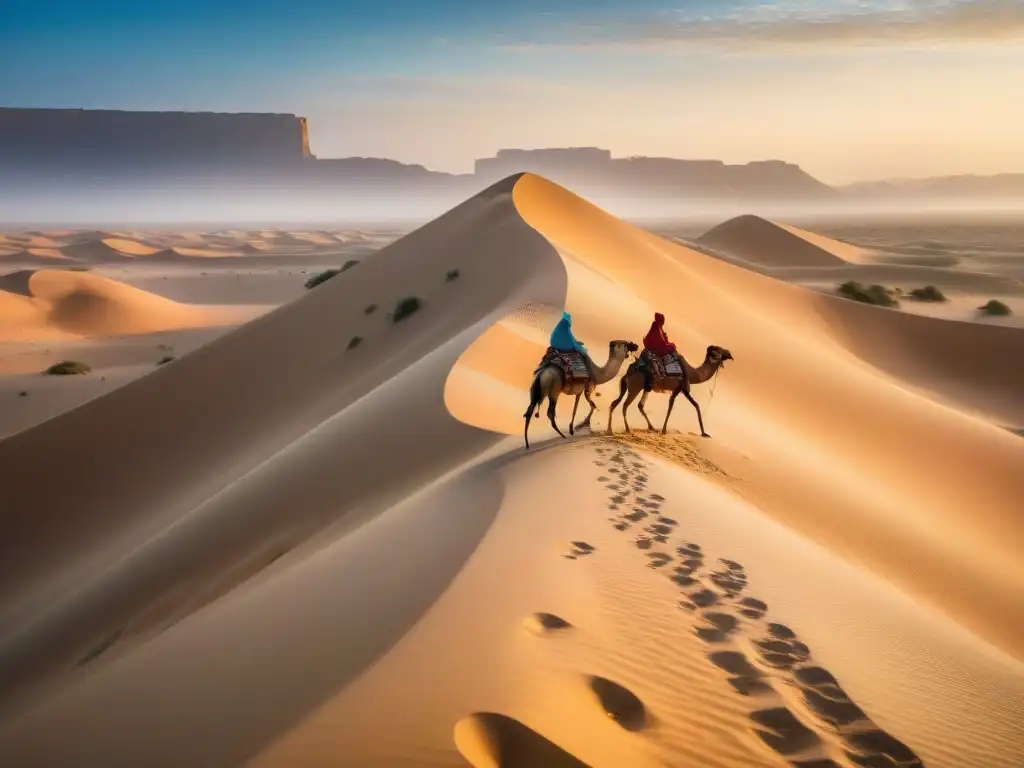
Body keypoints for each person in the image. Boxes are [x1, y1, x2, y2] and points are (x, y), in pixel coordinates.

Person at [548, 311, 596, 379]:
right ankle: (587, 375)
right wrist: (577, 345)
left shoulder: (559, 327)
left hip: (554, 343)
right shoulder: (566, 328)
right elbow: (570, 339)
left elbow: (569, 338)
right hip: (565, 345)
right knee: (584, 353)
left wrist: (576, 342)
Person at [639, 312, 678, 391]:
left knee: (671, 347)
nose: (663, 323)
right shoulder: (657, 327)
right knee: (671, 348)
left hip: (655, 345)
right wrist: (669, 344)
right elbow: (660, 340)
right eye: (663, 321)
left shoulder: (657, 326)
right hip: (655, 347)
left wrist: (665, 339)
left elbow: (661, 337)